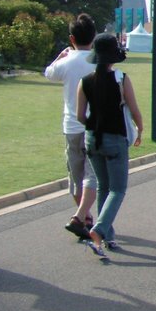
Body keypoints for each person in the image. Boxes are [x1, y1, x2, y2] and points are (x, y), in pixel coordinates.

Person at [76, 33, 143, 260]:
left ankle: (108, 235)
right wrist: (140, 129)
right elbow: (133, 109)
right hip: (115, 138)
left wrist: (94, 125)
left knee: (104, 186)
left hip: (92, 138)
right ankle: (99, 230)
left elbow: (80, 116)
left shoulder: (84, 81)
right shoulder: (121, 79)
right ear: (113, 57)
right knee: (118, 189)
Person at [44, 13, 98, 240]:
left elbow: (48, 73)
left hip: (72, 126)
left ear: (71, 38)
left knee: (76, 175)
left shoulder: (66, 63)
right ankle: (82, 217)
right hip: (95, 126)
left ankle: (82, 216)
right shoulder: (98, 61)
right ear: (93, 38)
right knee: (92, 174)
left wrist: (60, 55)